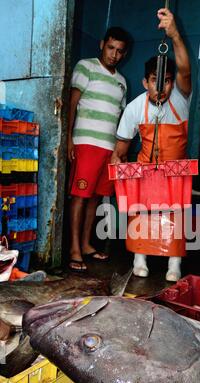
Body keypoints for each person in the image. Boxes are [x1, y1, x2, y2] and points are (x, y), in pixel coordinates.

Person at [111, 8, 192, 282]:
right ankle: (140, 258)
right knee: (142, 213)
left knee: (176, 217)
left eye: (167, 81)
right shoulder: (134, 108)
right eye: (156, 81)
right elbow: (120, 149)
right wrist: (118, 169)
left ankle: (174, 265)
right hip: (145, 171)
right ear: (146, 82)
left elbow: (184, 68)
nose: (162, 87)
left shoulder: (181, 99)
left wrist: (175, 35)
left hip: (175, 173)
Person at [68, 27, 131, 272]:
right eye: (111, 48)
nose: (114, 55)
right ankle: (74, 249)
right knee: (80, 196)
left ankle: (85, 245)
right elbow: (72, 104)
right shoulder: (86, 67)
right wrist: (69, 139)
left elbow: (120, 117)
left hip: (109, 147)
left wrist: (119, 150)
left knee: (95, 197)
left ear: (124, 54)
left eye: (119, 51)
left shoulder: (122, 82)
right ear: (102, 44)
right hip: (86, 142)